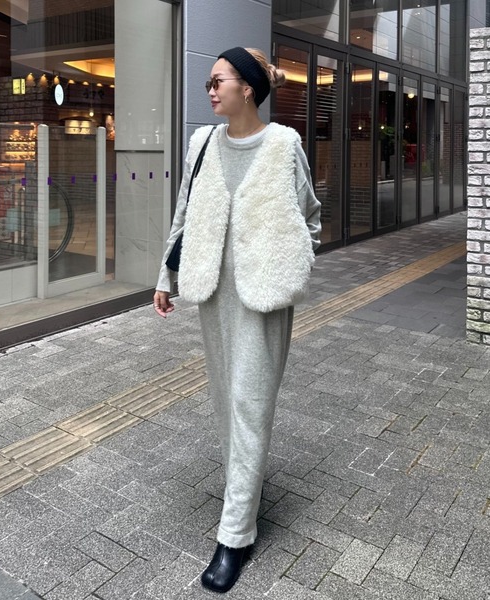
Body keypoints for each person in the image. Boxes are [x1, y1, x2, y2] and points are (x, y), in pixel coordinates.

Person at [154, 46, 321, 593]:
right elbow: (183, 211)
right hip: (214, 293)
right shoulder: (202, 142)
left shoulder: (284, 144)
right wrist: (164, 276)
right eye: (209, 82)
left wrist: (292, 264)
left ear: (247, 87)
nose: (210, 89)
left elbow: (310, 216)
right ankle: (242, 491)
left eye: (218, 81)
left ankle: (235, 536)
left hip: (262, 296)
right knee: (227, 401)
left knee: (250, 403)